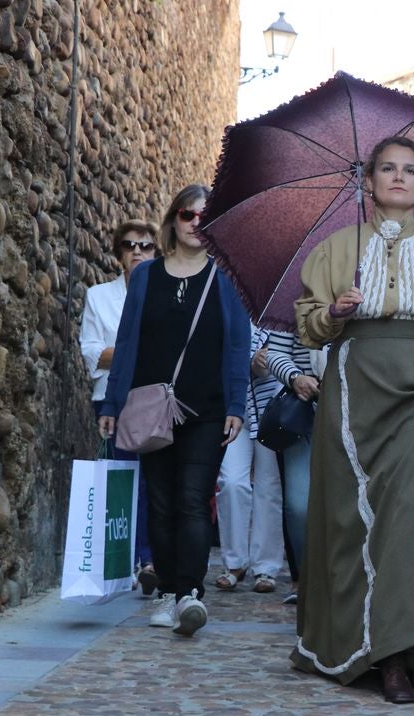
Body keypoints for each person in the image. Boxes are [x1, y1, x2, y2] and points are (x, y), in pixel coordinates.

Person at [291, 136, 414, 703]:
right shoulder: (335, 250)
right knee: (354, 518)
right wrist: (334, 312)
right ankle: (360, 647)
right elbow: (308, 327)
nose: (399, 177)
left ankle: (400, 653)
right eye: (387, 168)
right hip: (356, 386)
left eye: (411, 170)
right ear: (369, 181)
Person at [98, 185, 251, 637]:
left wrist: (236, 403)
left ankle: (189, 593)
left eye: (206, 216)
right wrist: (113, 402)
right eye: (188, 214)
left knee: (192, 500)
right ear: (173, 219)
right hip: (150, 407)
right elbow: (127, 342)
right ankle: (167, 591)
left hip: (207, 408)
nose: (196, 223)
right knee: (162, 503)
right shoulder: (146, 276)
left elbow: (238, 345)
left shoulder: (227, 278)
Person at [81, 219, 159, 594]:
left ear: (156, 253)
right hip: (111, 401)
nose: (137, 252)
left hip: (155, 401)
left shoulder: (165, 296)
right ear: (119, 254)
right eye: (129, 245)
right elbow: (92, 353)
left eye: (145, 246)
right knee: (123, 480)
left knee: (152, 482)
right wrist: (135, 352)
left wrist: (122, 353)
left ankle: (149, 560)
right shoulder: (98, 296)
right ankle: (129, 561)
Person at [214, 326, 284, 594]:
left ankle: (266, 567)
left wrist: (269, 361)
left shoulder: (282, 310)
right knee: (231, 482)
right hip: (234, 407)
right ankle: (234, 563)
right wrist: (250, 361)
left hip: (273, 409)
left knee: (269, 487)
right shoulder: (233, 306)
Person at [265, 329, 322, 605]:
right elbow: (275, 353)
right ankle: (306, 576)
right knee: (299, 505)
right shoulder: (292, 305)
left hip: (357, 413)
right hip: (305, 412)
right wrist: (295, 377)